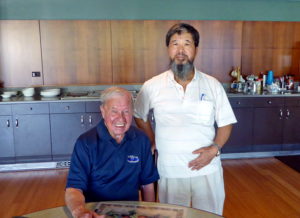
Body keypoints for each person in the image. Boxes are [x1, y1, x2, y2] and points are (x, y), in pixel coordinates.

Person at [134, 23, 237, 215]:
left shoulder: (212, 84)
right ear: (168, 49)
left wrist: (214, 150)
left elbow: (226, 122)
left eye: (187, 44)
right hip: (170, 171)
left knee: (209, 215)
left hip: (208, 169)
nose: (180, 50)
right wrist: (152, 139)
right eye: (175, 44)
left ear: (196, 49)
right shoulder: (152, 86)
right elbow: (139, 115)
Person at [65, 87, 159, 218]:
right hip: (96, 214)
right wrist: (80, 211)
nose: (121, 118)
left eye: (126, 111)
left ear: (132, 112)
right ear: (103, 111)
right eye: (114, 111)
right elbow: (74, 188)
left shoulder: (141, 139)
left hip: (130, 213)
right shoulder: (86, 143)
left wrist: (149, 214)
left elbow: (147, 184)